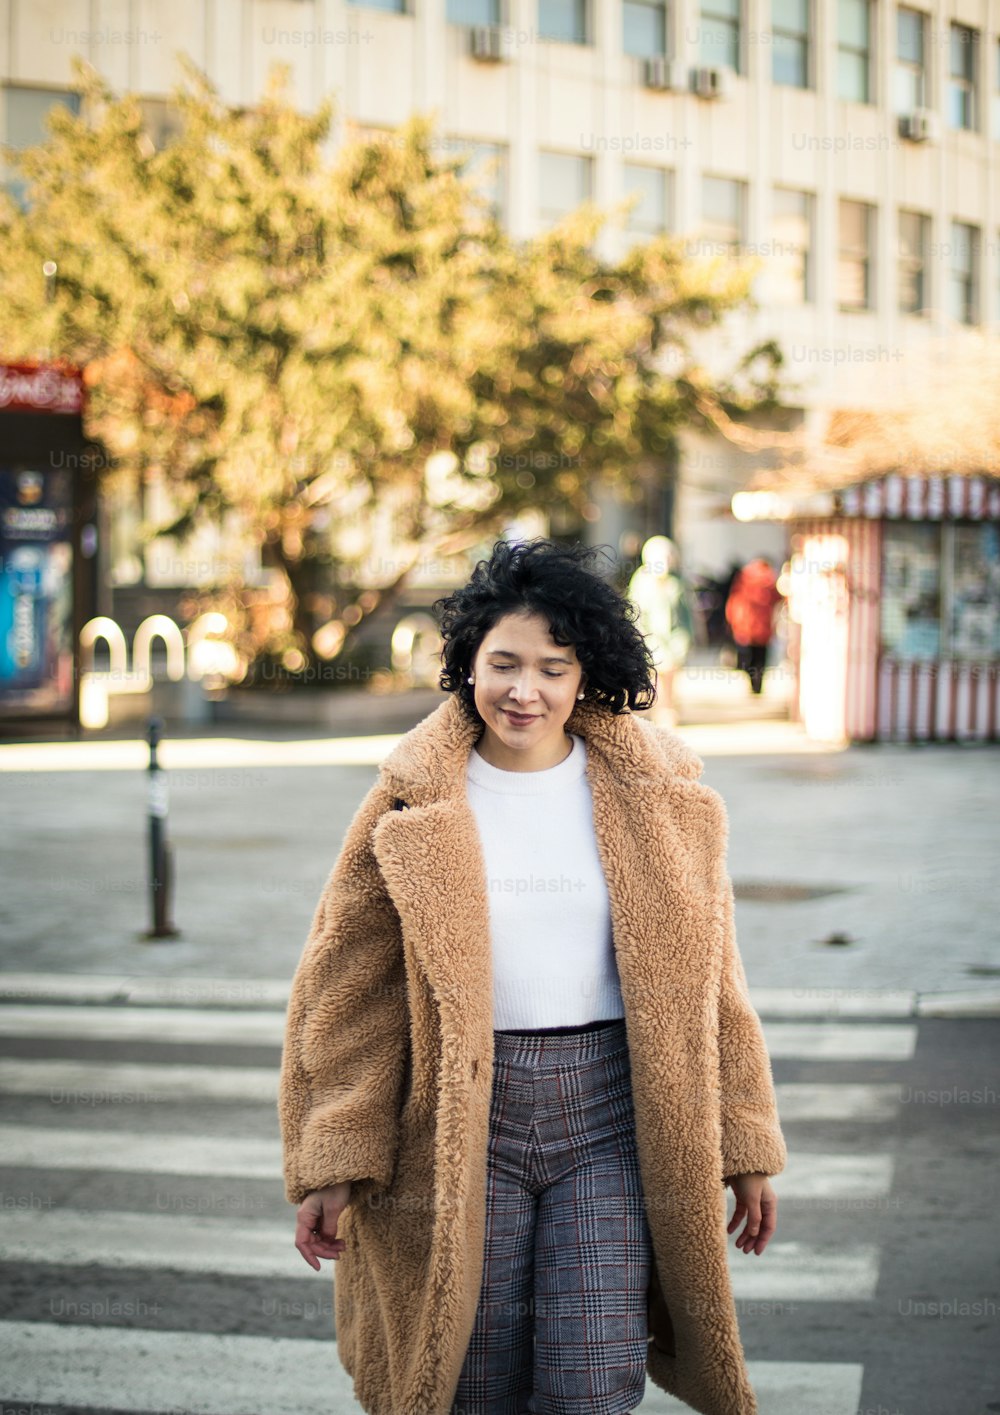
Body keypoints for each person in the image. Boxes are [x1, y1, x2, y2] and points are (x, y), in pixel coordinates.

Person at [278, 536, 787, 1415]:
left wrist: (743, 1140)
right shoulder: (412, 801)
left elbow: (714, 981)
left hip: (613, 1119)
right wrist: (334, 1151)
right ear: (466, 662)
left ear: (587, 670)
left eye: (553, 667)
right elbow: (345, 988)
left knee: (590, 1380)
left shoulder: (656, 794)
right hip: (457, 1118)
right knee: (471, 1377)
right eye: (503, 662)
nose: (526, 690)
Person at [625, 535, 696, 729]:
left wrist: (688, 638)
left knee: (670, 676)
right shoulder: (642, 580)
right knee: (655, 677)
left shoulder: (677, 581)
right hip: (651, 638)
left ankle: (668, 710)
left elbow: (686, 613)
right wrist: (640, 637)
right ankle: (660, 712)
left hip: (675, 639)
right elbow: (635, 612)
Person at [725, 555, 784, 695]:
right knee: (760, 657)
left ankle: (751, 680)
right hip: (763, 627)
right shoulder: (769, 580)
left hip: (746, 625)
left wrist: (733, 620)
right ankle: (757, 684)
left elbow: (736, 599)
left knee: (747, 656)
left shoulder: (744, 578)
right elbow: (778, 598)